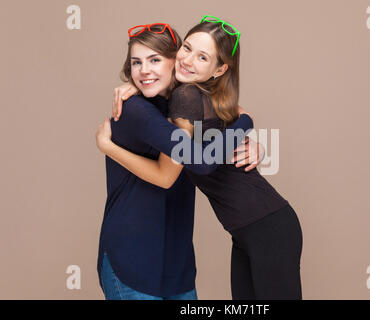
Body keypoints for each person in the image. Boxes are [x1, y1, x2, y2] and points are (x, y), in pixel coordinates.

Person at [96, 16, 303, 300]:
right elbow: (185, 164)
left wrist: (252, 134)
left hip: (248, 235)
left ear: (218, 69)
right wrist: (246, 123)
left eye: (155, 60)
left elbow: (209, 145)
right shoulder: (156, 105)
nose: (188, 61)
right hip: (146, 259)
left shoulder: (186, 99)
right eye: (136, 62)